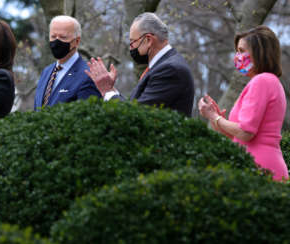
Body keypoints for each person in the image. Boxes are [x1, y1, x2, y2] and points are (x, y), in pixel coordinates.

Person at [198, 25, 288, 181]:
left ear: (259, 53)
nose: (237, 56)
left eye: (241, 51)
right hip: (260, 164)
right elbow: (239, 134)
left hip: (260, 166)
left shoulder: (262, 81)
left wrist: (215, 117)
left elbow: (246, 132)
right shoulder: (268, 81)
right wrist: (217, 120)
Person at [85, 12, 194, 117]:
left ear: (148, 40)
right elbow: (136, 107)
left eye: (133, 42)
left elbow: (137, 116)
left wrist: (107, 91)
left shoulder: (170, 70)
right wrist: (112, 89)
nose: (131, 48)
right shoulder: (163, 65)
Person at [34, 15, 101, 109]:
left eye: (63, 37)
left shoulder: (88, 75)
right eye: (53, 37)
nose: (56, 41)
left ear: (77, 41)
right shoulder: (46, 71)